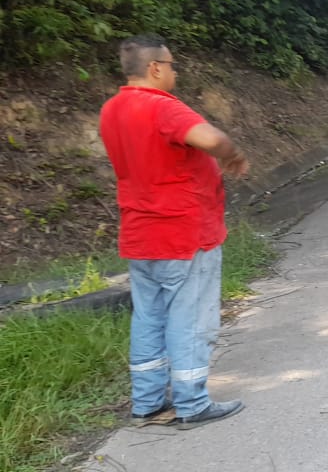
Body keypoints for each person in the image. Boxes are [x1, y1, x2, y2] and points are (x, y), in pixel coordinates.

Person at [99, 34, 250, 430]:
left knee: (149, 319)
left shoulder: (112, 110)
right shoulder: (162, 108)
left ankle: (146, 402)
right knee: (191, 320)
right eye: (172, 65)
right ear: (154, 68)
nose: (174, 71)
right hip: (183, 234)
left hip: (140, 235)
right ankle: (192, 403)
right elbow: (211, 139)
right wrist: (232, 154)